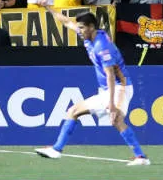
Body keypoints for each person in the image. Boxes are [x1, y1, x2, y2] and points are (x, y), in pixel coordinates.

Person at [36, 12, 149, 166]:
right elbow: (66, 22)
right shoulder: (89, 35)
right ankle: (140, 157)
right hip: (108, 89)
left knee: (112, 118)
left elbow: (110, 75)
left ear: (91, 27)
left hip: (118, 88)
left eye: (82, 28)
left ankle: (141, 157)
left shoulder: (102, 47)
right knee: (78, 112)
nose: (79, 30)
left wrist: (112, 104)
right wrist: (46, 7)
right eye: (80, 28)